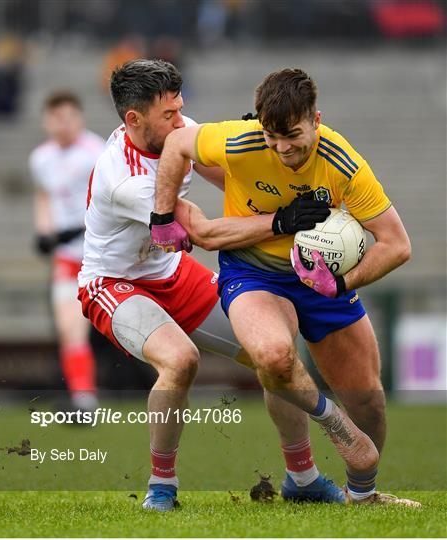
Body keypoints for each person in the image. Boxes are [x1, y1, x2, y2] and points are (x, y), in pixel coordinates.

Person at [77, 59, 370, 512]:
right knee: (180, 361)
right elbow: (207, 233)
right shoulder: (124, 179)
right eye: (168, 116)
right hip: (112, 281)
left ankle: (302, 477)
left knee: (271, 354)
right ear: (133, 120)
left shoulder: (181, 133)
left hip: (171, 273)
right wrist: (281, 221)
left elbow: (236, 179)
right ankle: (161, 487)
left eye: (181, 109)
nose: (181, 122)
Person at [152, 68, 421, 507]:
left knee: (369, 401)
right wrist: (162, 218)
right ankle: (336, 431)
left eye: (293, 135)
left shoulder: (343, 164)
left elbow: (396, 245)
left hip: (322, 282)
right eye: (272, 136)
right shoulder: (241, 139)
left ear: (317, 119)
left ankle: (362, 495)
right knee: (274, 358)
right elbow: (178, 144)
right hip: (254, 272)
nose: (281, 148)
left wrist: (340, 283)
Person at [30, 91, 105, 412]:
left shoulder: (95, 151)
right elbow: (45, 196)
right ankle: (83, 399)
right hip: (67, 258)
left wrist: (80, 227)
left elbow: (111, 202)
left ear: (80, 118)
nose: (63, 123)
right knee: (68, 328)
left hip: (101, 256)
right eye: (56, 117)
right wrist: (44, 231)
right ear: (46, 121)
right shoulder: (41, 158)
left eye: (69, 116)